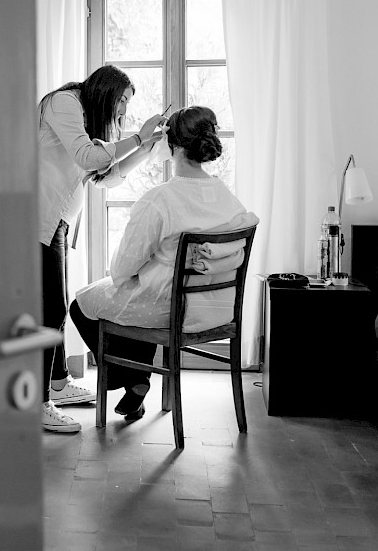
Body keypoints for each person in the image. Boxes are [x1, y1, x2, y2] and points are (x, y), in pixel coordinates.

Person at [68, 105, 259, 422]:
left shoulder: (160, 200)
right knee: (142, 292)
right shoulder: (229, 199)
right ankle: (136, 382)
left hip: (171, 310)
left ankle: (134, 379)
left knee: (83, 302)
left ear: (171, 145)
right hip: (216, 309)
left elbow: (121, 271)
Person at [38, 65, 168, 433]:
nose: (123, 110)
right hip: (35, 218)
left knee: (54, 308)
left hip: (56, 221)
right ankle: (40, 403)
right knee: (50, 309)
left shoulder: (85, 118)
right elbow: (91, 159)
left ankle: (58, 385)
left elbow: (104, 176)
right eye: (122, 100)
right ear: (107, 90)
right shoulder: (63, 103)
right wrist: (139, 140)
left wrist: (148, 147)